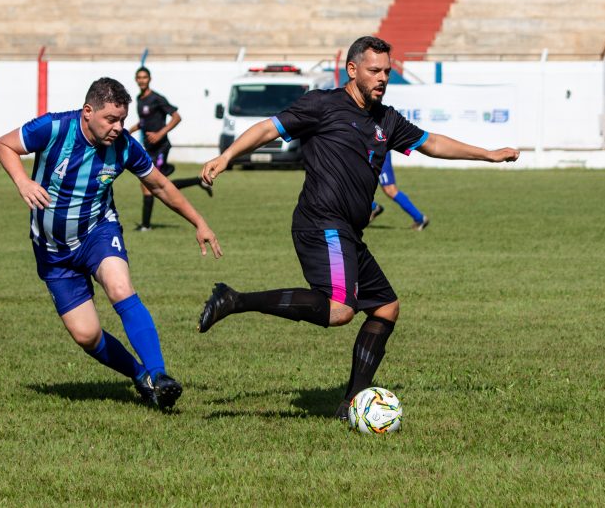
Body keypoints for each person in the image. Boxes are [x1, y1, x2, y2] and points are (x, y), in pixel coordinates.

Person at [196, 36, 518, 420]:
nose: (382, 78)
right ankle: (234, 299)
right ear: (352, 70)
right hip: (320, 222)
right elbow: (269, 128)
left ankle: (351, 402)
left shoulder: (386, 119)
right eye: (374, 71)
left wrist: (487, 154)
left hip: (348, 231)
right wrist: (228, 155)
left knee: (385, 308)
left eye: (387, 71)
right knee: (340, 310)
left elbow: (431, 143)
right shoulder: (322, 105)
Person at [0, 77, 223, 410]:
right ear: (88, 112)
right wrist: (22, 180)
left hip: (97, 232)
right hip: (52, 250)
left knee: (119, 287)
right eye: (111, 120)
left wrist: (199, 222)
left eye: (122, 119)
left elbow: (159, 186)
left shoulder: (125, 146)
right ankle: (141, 377)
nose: (119, 127)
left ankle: (159, 375)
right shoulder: (53, 127)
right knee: (86, 335)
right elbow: (4, 144)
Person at [128, 66, 212, 231]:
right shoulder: (139, 99)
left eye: (145, 77)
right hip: (149, 148)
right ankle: (198, 181)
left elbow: (176, 117)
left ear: (149, 79)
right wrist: (132, 129)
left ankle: (145, 226)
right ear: (136, 80)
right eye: (139, 77)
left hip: (161, 148)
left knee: (150, 185)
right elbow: (145, 120)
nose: (142, 80)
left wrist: (160, 134)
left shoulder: (157, 98)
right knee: (158, 185)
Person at [368, 153, 430, 230]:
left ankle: (420, 218)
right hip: (364, 150)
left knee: (390, 189)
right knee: (352, 184)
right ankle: (372, 207)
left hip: (377, 151)